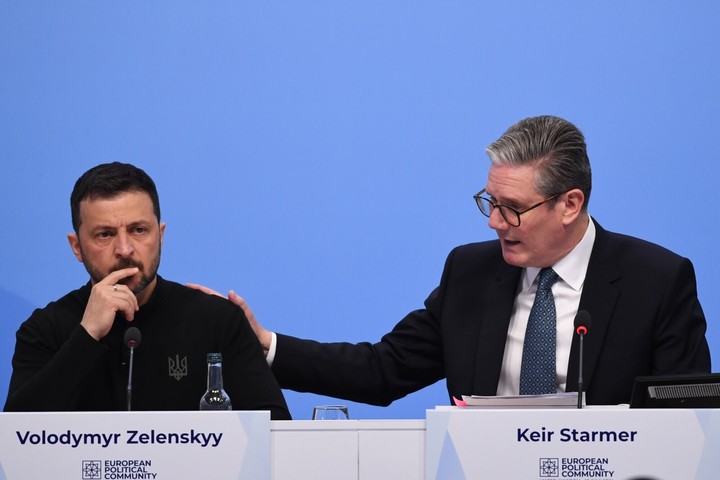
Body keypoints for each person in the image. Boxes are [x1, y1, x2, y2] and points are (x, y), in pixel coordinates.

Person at [193, 115, 711, 407]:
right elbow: (383, 369)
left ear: (570, 204)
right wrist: (263, 344)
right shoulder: (472, 273)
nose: (493, 224)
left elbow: (687, 413)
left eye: (513, 210)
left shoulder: (656, 281)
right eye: (490, 204)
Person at [4, 162, 291, 420]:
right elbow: (16, 443)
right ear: (77, 247)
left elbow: (275, 428)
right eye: (104, 234)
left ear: (161, 235)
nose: (125, 249)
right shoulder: (43, 330)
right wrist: (86, 336)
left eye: (139, 230)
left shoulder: (217, 321)